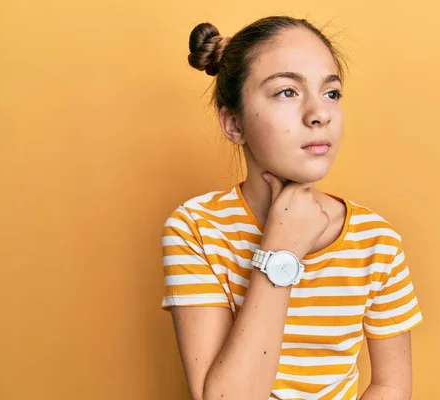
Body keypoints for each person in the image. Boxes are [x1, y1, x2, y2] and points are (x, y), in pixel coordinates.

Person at [160, 15, 423, 400]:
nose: (319, 114)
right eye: (287, 92)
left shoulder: (376, 241)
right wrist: (281, 250)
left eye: (331, 93)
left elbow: (391, 384)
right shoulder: (196, 229)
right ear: (233, 123)